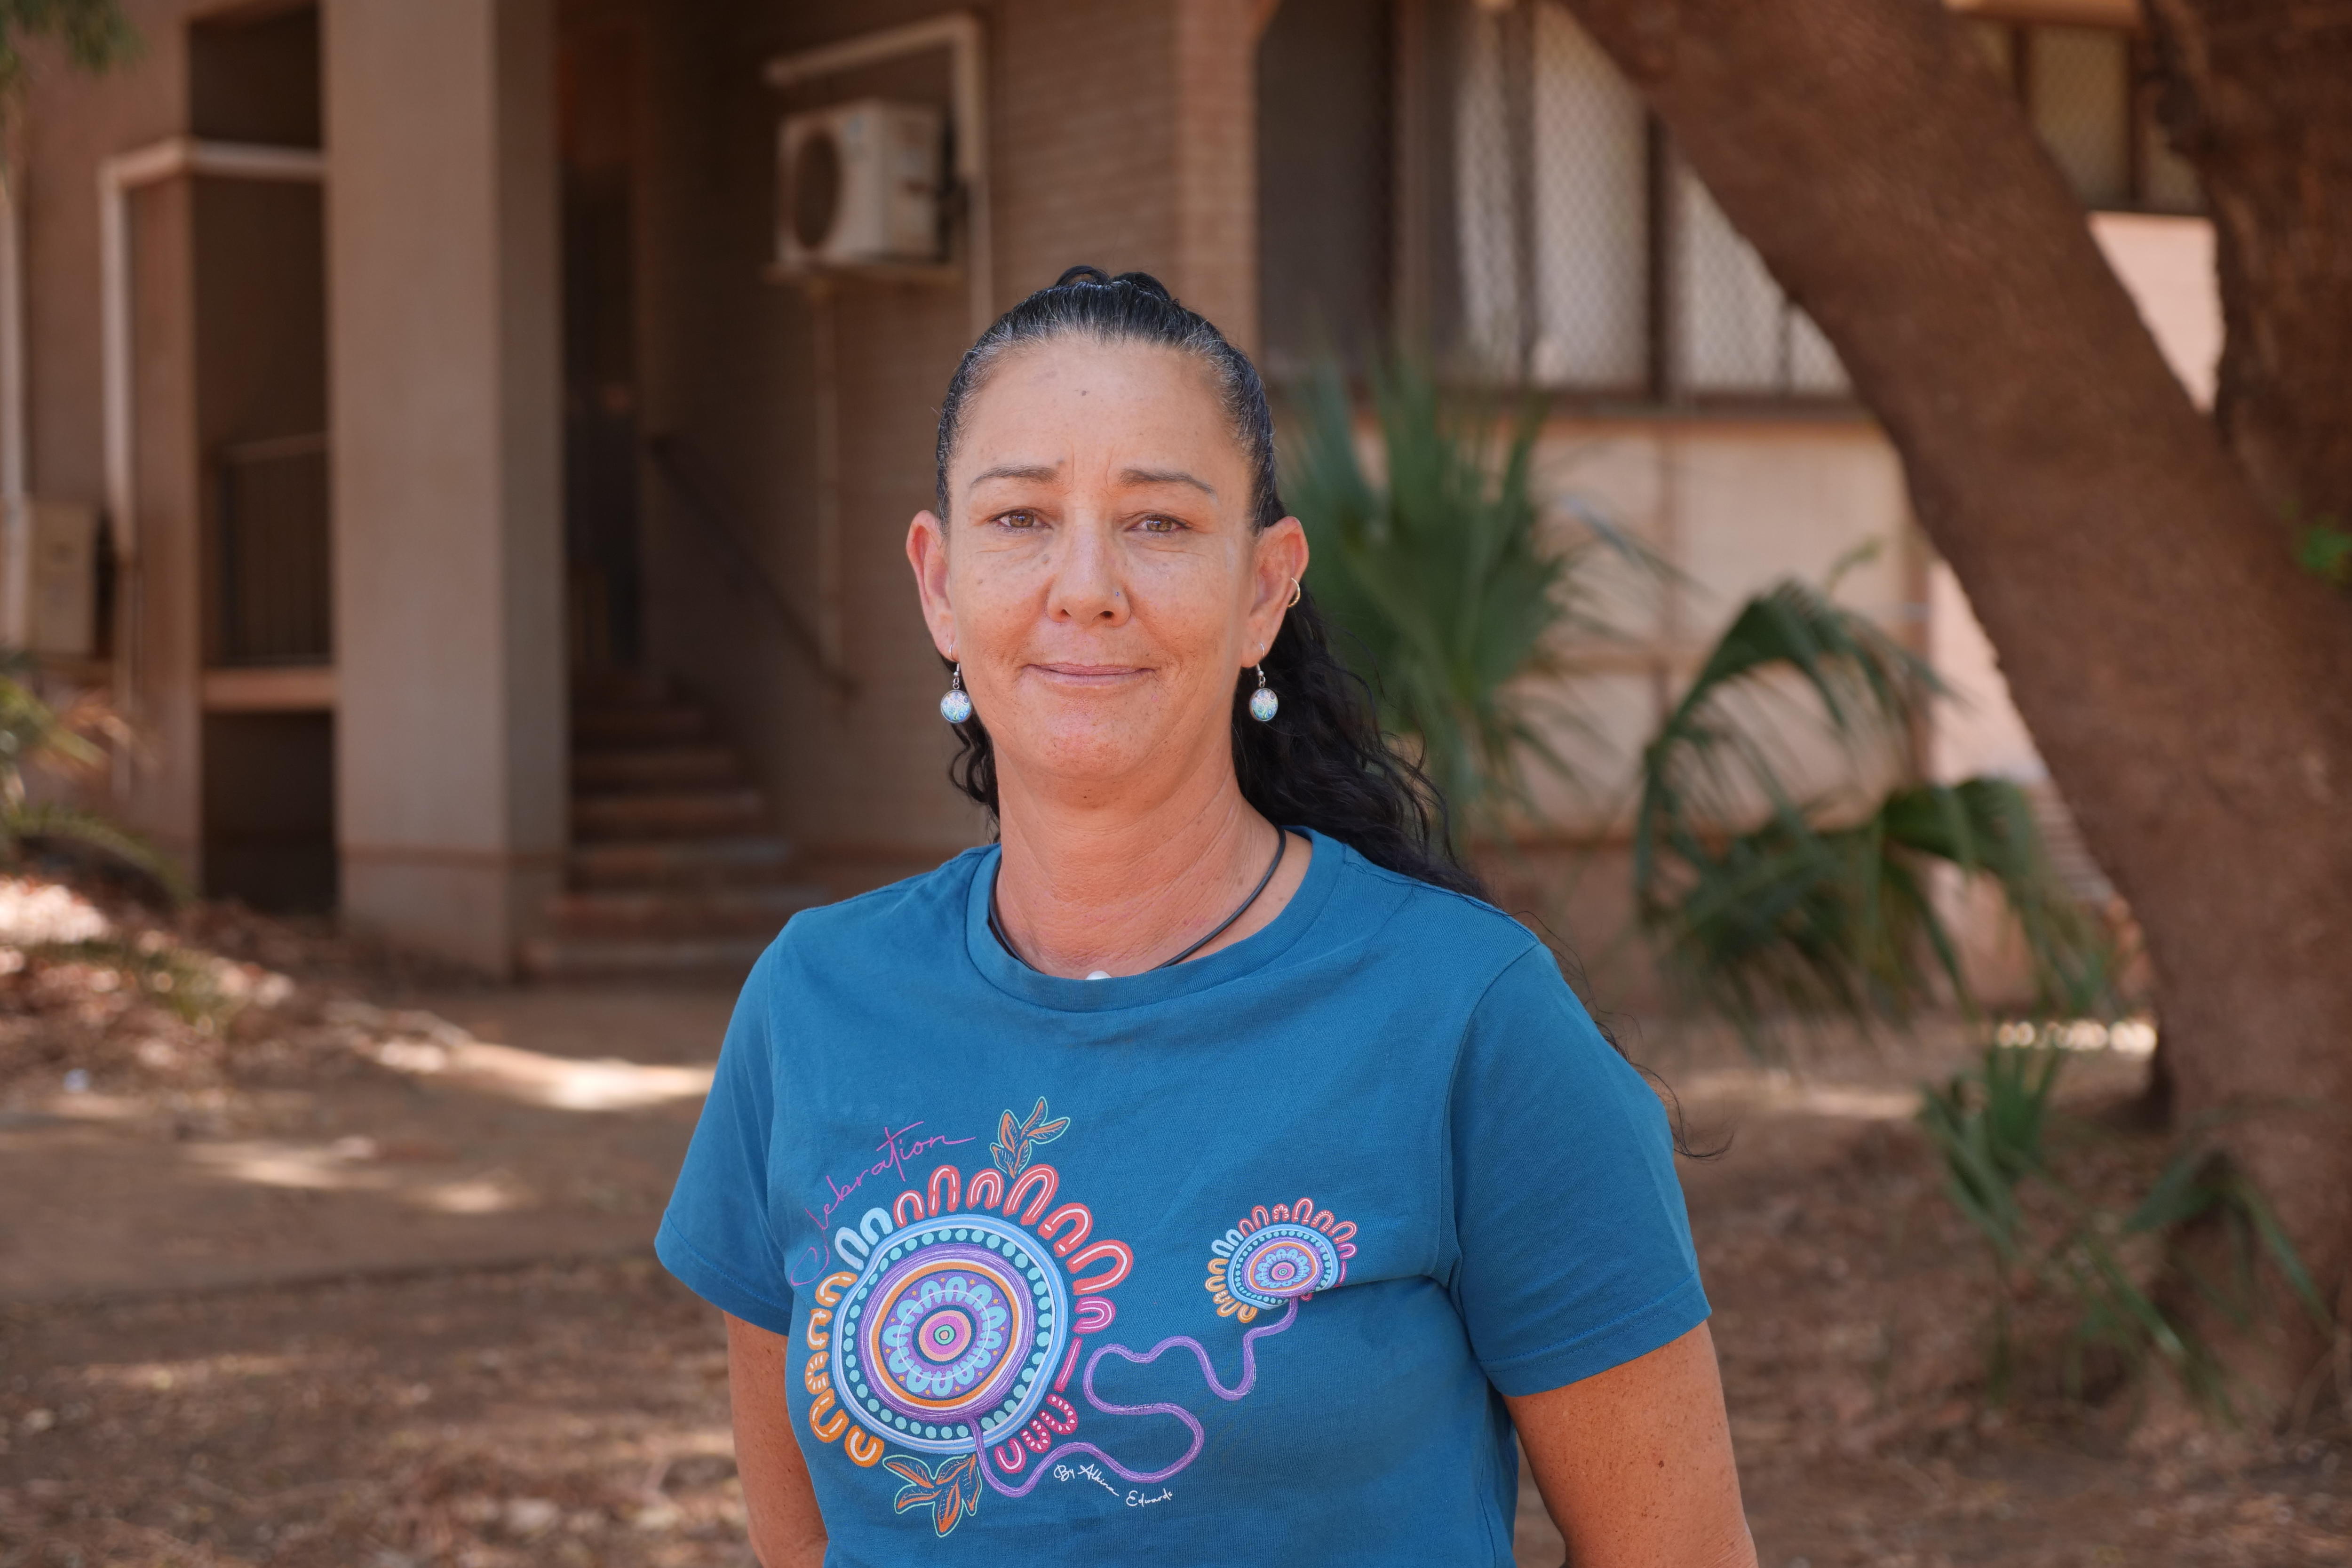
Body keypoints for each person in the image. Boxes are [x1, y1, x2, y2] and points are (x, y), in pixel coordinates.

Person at [656, 267, 1755, 1568]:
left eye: (1161, 526)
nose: (1085, 586)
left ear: (1264, 588)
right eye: (1019, 517)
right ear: (938, 583)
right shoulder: (812, 1005)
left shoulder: (1468, 1018)